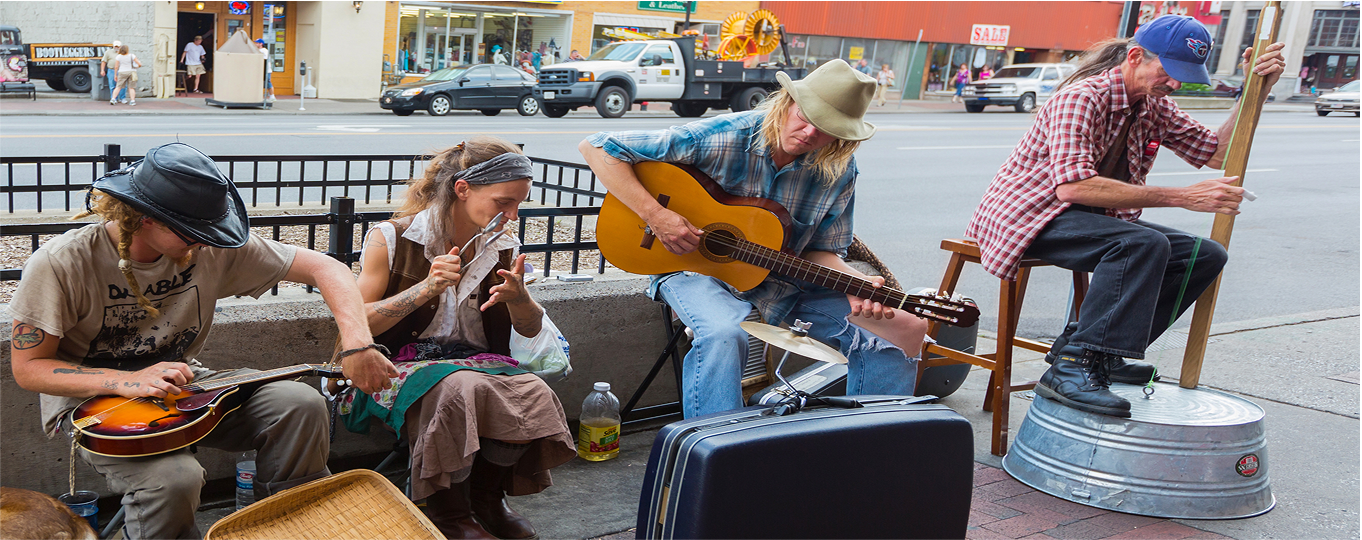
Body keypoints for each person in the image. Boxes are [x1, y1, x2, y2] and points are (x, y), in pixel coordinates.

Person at [8, 142, 396, 540]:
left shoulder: (205, 246)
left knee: (301, 405)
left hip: (188, 384)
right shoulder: (62, 262)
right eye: (194, 233)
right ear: (143, 219)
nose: (207, 243)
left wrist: (358, 344)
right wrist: (128, 381)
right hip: (96, 407)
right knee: (175, 479)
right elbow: (29, 368)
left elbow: (326, 267)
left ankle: (283, 524)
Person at [965, 15, 1286, 418]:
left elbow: (1216, 152)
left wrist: (1253, 91)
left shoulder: (1154, 106)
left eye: (1184, 77)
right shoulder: (1082, 98)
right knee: (1142, 243)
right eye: (1169, 73)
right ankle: (1073, 367)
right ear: (1135, 56)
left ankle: (1098, 352)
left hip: (1092, 218)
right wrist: (1183, 197)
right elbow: (1073, 187)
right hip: (1031, 215)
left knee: (1205, 255)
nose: (1175, 84)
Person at [579, 60, 929, 419]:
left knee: (902, 327)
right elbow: (598, 147)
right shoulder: (724, 134)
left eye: (825, 128)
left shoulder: (839, 172)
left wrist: (854, 283)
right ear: (788, 102)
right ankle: (715, 452)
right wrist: (656, 215)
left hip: (783, 282)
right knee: (723, 332)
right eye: (805, 116)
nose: (809, 133)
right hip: (693, 269)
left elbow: (822, 249)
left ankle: (872, 446)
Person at [340, 137, 575, 540]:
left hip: (472, 364)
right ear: (462, 188)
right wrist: (424, 289)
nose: (512, 215)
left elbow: (531, 327)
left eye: (519, 204)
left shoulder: (501, 245)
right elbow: (356, 323)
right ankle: (448, 511)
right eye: (504, 202)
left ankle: (487, 498)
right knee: (460, 387)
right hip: (392, 364)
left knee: (531, 389)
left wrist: (520, 299)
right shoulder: (392, 238)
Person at [99, 40, 127, 104]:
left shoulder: (123, 52)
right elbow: (104, 61)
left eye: (118, 46)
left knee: (123, 85)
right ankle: (114, 98)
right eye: (115, 46)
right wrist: (102, 70)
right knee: (112, 85)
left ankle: (122, 98)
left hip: (121, 70)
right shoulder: (108, 52)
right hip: (111, 70)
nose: (116, 47)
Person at [255, 38, 276, 103]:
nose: (255, 44)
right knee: (262, 83)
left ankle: (272, 96)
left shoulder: (264, 50)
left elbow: (265, 59)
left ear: (261, 44)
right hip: (261, 70)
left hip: (266, 70)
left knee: (268, 83)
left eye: (257, 43)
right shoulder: (258, 50)